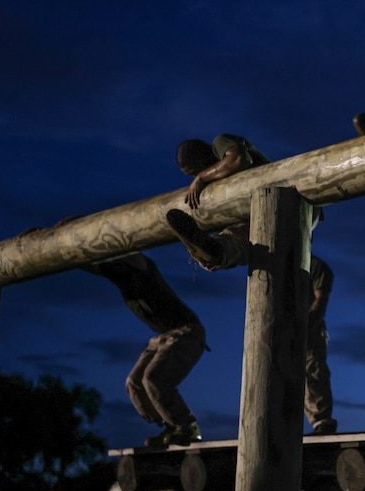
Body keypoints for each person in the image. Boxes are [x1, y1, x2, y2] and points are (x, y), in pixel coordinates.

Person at [82, 253, 207, 447]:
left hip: (187, 331)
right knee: (134, 383)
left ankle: (188, 426)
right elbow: (90, 266)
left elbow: (134, 255)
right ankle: (171, 424)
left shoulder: (144, 269)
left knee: (154, 378)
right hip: (162, 336)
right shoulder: (117, 276)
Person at [167, 133, 272, 271]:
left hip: (274, 201)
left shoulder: (220, 142)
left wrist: (201, 177)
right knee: (233, 242)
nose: (194, 177)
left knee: (237, 238)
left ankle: (214, 252)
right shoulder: (220, 178)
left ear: (200, 159)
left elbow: (239, 159)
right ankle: (213, 253)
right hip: (256, 218)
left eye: (194, 171)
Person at [304, 256, 338, 434]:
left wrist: (305, 324)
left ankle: (322, 422)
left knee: (313, 372)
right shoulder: (282, 263)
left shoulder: (317, 267)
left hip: (310, 328)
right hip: (282, 327)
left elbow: (320, 300)